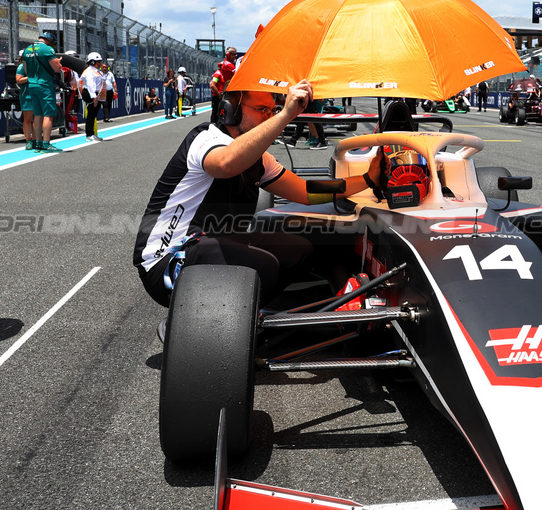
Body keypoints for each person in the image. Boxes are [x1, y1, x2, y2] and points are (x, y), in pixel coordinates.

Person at [134, 80, 384, 333]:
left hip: (213, 244)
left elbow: (305, 192)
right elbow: (225, 164)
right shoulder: (205, 139)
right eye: (261, 109)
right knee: (263, 265)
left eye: (272, 110)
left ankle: (242, 319)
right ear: (230, 109)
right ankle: (197, 326)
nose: (269, 115)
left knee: (299, 250)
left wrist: (366, 180)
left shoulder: (260, 159)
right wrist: (287, 115)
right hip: (166, 259)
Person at [20, 31, 65, 153]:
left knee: (38, 115)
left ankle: (38, 143)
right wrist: (59, 62)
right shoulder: (47, 49)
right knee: (48, 115)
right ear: (50, 41)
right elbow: (57, 68)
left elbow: (25, 70)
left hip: (32, 85)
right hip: (45, 85)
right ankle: (46, 144)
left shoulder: (27, 50)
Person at [80, 52, 106, 141]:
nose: (100, 63)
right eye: (98, 61)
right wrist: (94, 97)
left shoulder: (96, 71)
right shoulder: (90, 72)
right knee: (91, 114)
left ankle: (92, 134)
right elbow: (91, 85)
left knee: (93, 114)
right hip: (90, 93)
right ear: (92, 62)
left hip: (95, 93)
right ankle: (89, 134)